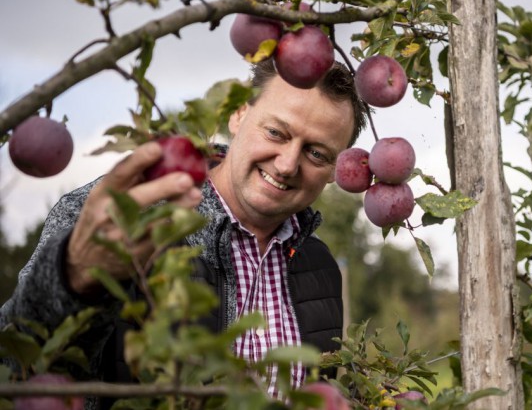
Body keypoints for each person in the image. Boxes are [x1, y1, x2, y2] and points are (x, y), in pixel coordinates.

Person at [0, 58, 368, 407]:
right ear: (239, 113)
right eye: (275, 132)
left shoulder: (319, 267)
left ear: (337, 167)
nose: (287, 165)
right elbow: (17, 362)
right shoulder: (119, 219)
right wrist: (71, 281)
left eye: (317, 154)